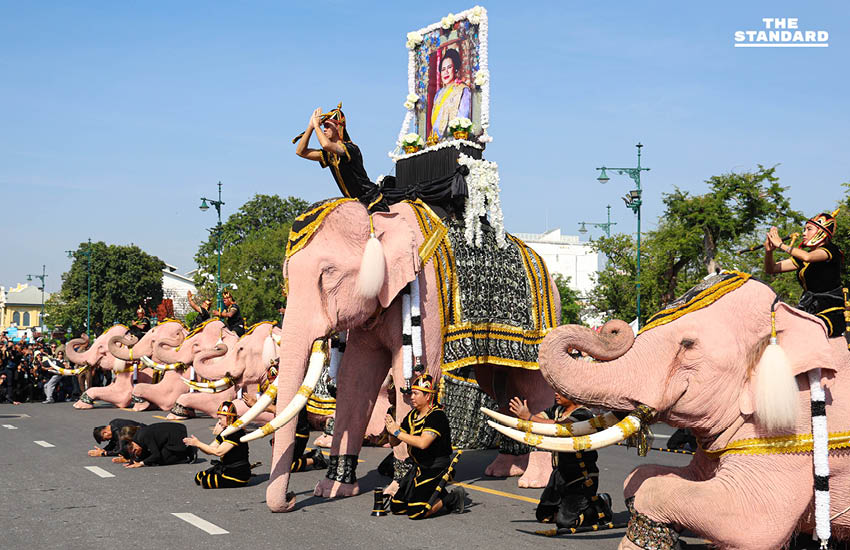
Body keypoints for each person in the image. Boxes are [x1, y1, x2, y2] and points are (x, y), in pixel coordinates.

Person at [509, 393, 613, 530]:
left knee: (565, 523)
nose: (556, 393)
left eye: (561, 390)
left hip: (581, 477)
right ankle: (567, 505)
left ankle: (600, 505)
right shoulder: (557, 410)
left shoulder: (584, 415)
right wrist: (524, 419)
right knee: (544, 516)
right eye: (556, 389)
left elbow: (562, 427)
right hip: (559, 474)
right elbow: (538, 420)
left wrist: (528, 417)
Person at [385, 373, 466, 519]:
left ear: (428, 396)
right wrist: (391, 431)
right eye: (412, 393)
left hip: (435, 467)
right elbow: (394, 442)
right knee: (397, 506)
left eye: (416, 393)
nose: (412, 397)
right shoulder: (412, 416)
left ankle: (452, 498)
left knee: (416, 512)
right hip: (419, 467)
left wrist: (397, 431)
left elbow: (423, 443)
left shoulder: (436, 416)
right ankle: (436, 493)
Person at [764, 211, 845, 337]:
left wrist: (780, 244)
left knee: (810, 331)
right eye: (804, 229)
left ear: (821, 232)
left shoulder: (831, 250)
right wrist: (769, 252)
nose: (804, 233)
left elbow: (807, 257)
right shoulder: (802, 257)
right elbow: (771, 269)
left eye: (809, 229)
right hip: (807, 307)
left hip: (831, 310)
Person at [294, 103, 388, 212]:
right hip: (353, 203)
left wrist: (316, 126)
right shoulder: (329, 154)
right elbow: (301, 152)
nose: (324, 129)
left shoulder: (350, 148)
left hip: (371, 200)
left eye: (328, 126)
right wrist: (310, 127)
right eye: (323, 126)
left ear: (338, 127)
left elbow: (326, 145)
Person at [183, 401, 252, 488]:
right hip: (227, 469)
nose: (219, 422)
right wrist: (197, 444)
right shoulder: (225, 432)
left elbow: (218, 452)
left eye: (220, 418)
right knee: (199, 477)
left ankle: (237, 481)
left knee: (205, 481)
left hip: (238, 474)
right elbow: (210, 449)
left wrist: (198, 443)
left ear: (229, 418)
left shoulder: (236, 433)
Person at [430, 48, 472, 140]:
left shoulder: (462, 90)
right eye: (443, 69)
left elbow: (463, 117)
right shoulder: (438, 94)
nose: (446, 72)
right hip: (436, 142)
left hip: (454, 139)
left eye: (449, 67)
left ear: (455, 69)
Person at [118, 422, 197, 468]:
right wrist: (133, 462)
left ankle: (188, 452)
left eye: (136, 454)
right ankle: (181, 453)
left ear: (135, 448)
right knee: (152, 460)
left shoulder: (143, 437)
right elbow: (144, 453)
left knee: (161, 460)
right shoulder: (137, 441)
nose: (138, 455)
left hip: (175, 433)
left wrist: (141, 463)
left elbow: (156, 454)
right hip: (166, 437)